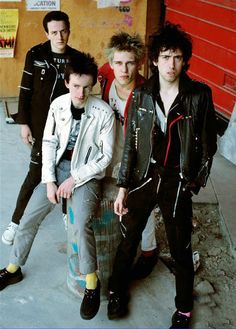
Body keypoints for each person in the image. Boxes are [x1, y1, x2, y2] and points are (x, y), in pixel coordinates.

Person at [107, 22, 217, 328]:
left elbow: (209, 146)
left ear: (185, 61)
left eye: (178, 57)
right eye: (166, 56)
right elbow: (131, 144)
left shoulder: (199, 96)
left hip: (177, 180)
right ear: (154, 59)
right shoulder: (142, 95)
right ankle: (116, 291)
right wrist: (122, 187)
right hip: (145, 175)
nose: (171, 64)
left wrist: (192, 183)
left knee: (180, 246)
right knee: (128, 238)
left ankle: (183, 309)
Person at [0, 53, 115, 321]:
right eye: (75, 85)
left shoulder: (103, 112)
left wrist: (75, 179)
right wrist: (50, 180)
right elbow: (49, 143)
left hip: (85, 174)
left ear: (93, 85)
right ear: (66, 82)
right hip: (57, 170)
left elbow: (105, 157)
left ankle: (91, 284)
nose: (80, 92)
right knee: (29, 217)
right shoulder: (58, 105)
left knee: (81, 223)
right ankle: (13, 267)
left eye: (86, 87)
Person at [2, 11, 81, 245]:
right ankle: (15, 222)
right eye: (54, 32)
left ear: (69, 29)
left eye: (63, 31)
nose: (59, 36)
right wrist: (24, 123)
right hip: (39, 126)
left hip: (66, 128)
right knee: (35, 174)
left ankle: (68, 215)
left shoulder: (76, 58)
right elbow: (25, 90)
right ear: (46, 33)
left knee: (66, 171)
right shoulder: (35, 54)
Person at [98, 31, 158, 279]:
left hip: (137, 151)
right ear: (112, 63)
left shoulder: (147, 92)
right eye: (119, 63)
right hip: (111, 145)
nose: (124, 69)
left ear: (140, 63)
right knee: (104, 190)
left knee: (140, 201)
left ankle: (148, 250)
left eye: (130, 62)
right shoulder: (106, 75)